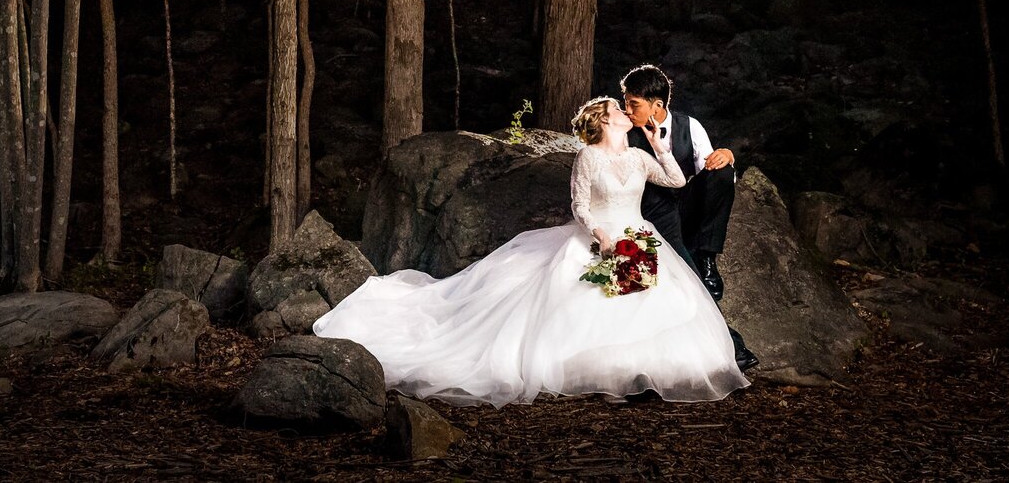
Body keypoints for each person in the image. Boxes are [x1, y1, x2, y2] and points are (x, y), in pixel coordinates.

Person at [310, 97, 749, 407]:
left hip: (639, 237)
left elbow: (673, 180)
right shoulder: (588, 158)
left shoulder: (637, 157)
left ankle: (650, 371)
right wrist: (600, 235)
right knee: (579, 299)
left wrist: (658, 147)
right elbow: (578, 206)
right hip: (601, 236)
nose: (623, 110)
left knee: (656, 298)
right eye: (617, 109)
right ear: (604, 122)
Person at [620, 63, 758, 372]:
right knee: (689, 282)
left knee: (722, 170)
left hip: (685, 209)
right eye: (625, 102)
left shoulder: (690, 127)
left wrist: (728, 156)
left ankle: (707, 255)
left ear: (658, 106)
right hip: (652, 217)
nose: (626, 110)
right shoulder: (624, 134)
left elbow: (710, 177)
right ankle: (733, 348)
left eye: (634, 104)